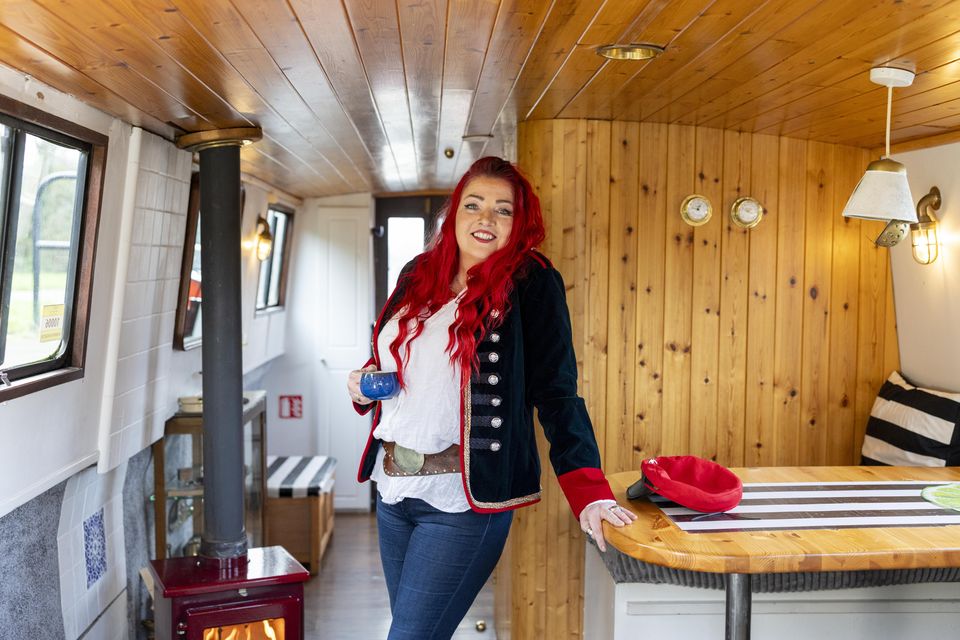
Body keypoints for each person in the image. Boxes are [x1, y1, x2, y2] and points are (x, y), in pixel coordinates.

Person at [347, 156, 636, 640]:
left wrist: (589, 489)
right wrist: (364, 382)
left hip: (463, 498)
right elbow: (400, 364)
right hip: (393, 488)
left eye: (503, 210)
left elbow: (557, 392)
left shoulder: (531, 282)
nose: (486, 218)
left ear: (519, 224)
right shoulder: (417, 272)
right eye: (474, 204)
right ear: (454, 212)